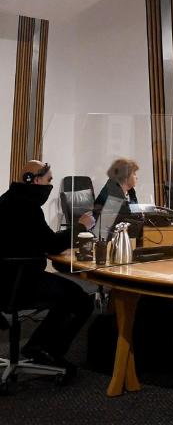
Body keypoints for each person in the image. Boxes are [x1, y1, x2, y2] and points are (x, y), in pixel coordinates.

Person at [0, 161, 95, 376]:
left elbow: (36, 240)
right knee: (79, 299)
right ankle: (45, 349)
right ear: (34, 180)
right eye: (48, 179)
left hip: (6, 280)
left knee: (65, 293)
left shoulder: (7, 200)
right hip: (19, 282)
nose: (50, 184)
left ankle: (38, 345)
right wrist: (81, 226)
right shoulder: (26, 207)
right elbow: (51, 244)